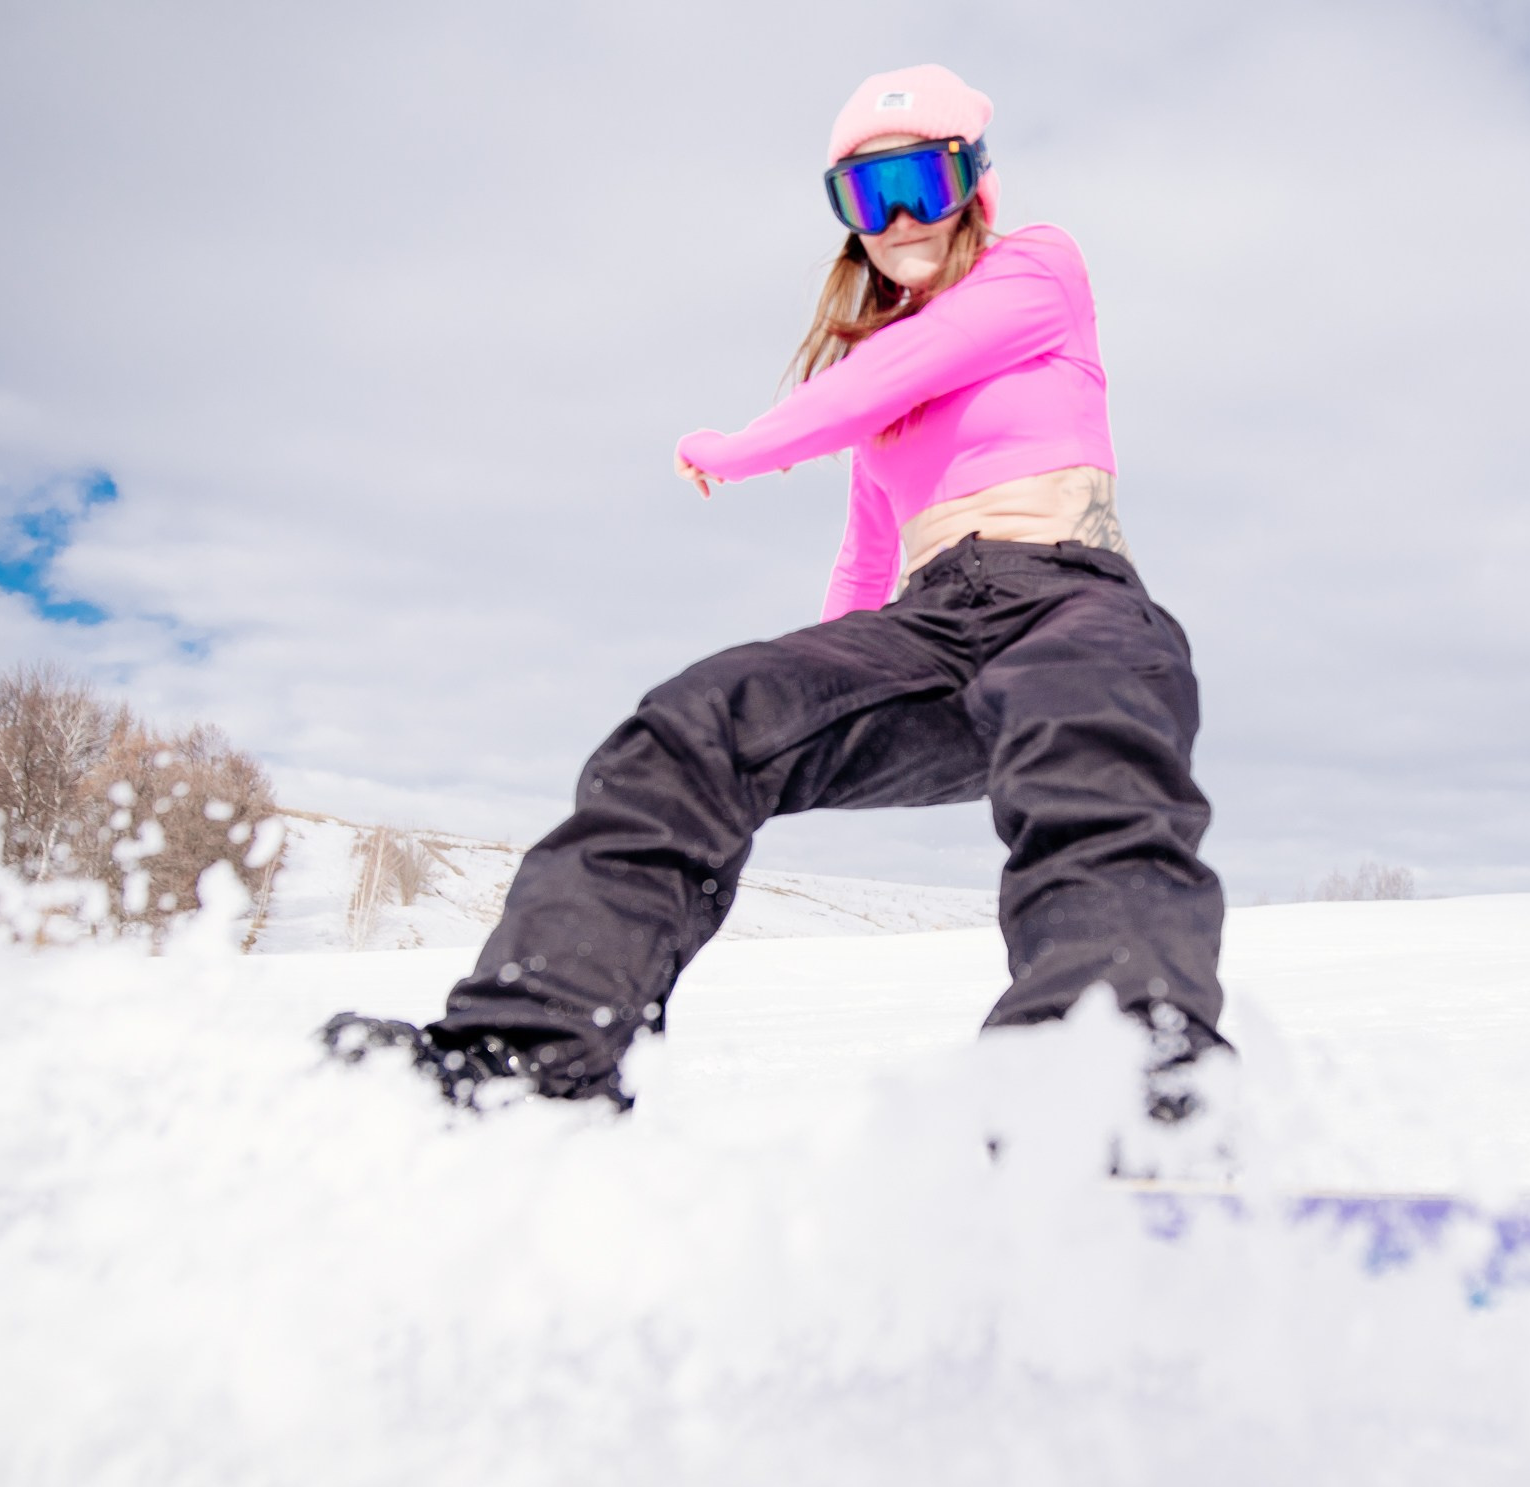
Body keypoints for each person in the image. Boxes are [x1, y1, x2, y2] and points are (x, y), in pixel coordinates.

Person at [325, 64, 1226, 1119]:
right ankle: (535, 1057)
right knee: (695, 720)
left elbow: (894, 369)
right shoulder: (882, 402)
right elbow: (860, 570)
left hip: (1076, 600)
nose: (895, 222)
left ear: (973, 189)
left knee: (1088, 749)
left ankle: (1107, 1080)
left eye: (918, 187)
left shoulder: (1040, 269)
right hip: (931, 628)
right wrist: (812, 704)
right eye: (864, 199)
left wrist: (742, 446)